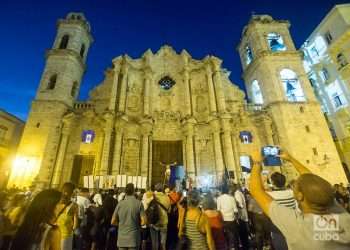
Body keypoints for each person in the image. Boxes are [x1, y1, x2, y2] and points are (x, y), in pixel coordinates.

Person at [250, 149, 350, 250]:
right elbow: (312, 181)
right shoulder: (342, 215)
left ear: (300, 196)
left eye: (295, 187)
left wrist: (257, 162)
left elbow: (255, 190)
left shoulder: (299, 227)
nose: (293, 188)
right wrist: (291, 159)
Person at [111, 183, 146, 250]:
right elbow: (144, 222)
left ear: (125, 192)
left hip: (122, 239)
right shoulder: (139, 203)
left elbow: (112, 221)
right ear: (133, 191)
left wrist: (121, 224)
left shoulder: (120, 204)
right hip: (133, 238)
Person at [267, 172, 296, 250]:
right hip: (292, 225)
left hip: (277, 228)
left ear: (272, 182)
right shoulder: (292, 193)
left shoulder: (269, 195)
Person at [56, 182, 79, 250]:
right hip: (66, 236)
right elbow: (75, 223)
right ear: (72, 192)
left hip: (53, 235)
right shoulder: (74, 206)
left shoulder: (54, 202)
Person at [216, 185, 239, 250]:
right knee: (235, 238)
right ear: (227, 190)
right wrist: (237, 220)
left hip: (223, 221)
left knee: (225, 237)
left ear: (221, 191)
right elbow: (235, 211)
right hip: (231, 220)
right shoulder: (232, 198)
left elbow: (218, 211)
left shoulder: (219, 199)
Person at [150, 183, 170, 250]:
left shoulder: (151, 196)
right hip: (164, 222)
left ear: (155, 189)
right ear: (162, 189)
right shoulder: (167, 197)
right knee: (163, 243)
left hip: (154, 222)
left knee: (154, 242)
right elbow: (169, 210)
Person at [232, 184, 249, 250]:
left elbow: (241, 205)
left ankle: (245, 246)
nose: (231, 189)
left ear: (235, 187)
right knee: (244, 233)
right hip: (242, 216)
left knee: (243, 233)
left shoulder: (237, 194)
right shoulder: (238, 193)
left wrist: (234, 203)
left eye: (232, 187)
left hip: (241, 216)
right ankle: (245, 246)